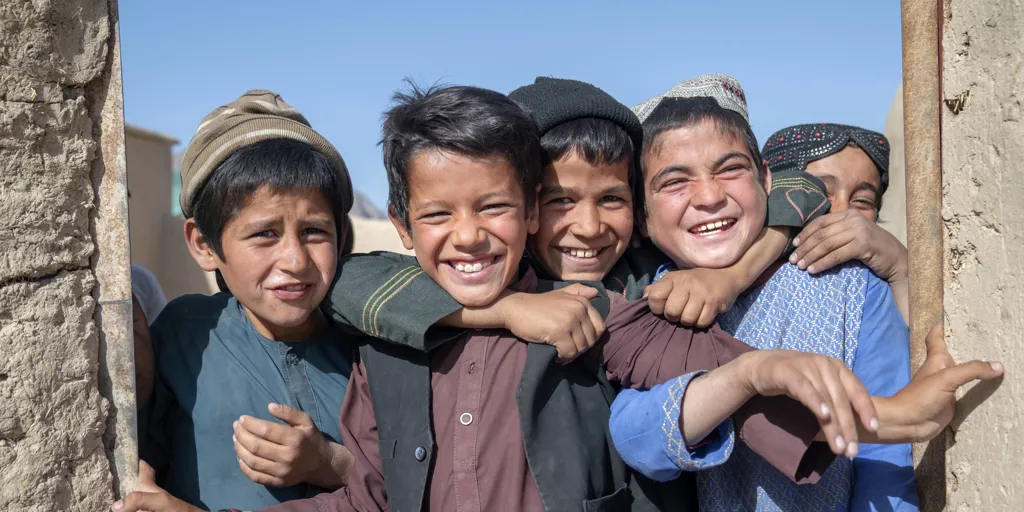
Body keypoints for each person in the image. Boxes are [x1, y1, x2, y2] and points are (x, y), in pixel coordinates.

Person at [113, 83, 888, 512]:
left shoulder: (605, 304)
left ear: (524, 205)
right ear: (402, 223)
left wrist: (813, 385)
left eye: (496, 208)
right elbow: (372, 494)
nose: (471, 237)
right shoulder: (385, 338)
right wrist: (506, 309)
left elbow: (711, 343)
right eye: (438, 215)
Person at [608, 76, 1004, 511]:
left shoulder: (851, 287)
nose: (709, 196)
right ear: (642, 217)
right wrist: (751, 374)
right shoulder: (648, 302)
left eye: (730, 169)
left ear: (765, 179)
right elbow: (638, 437)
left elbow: (885, 465)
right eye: (675, 181)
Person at [137, 91, 357, 510]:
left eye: (314, 231)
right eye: (265, 234)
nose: (295, 260)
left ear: (341, 236)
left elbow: (419, 482)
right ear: (203, 244)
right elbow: (141, 452)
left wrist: (330, 463)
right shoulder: (185, 334)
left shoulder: (375, 348)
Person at [763, 123, 910, 322]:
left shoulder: (872, 291)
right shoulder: (732, 275)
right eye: (819, 191)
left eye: (862, 201)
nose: (843, 211)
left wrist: (900, 266)